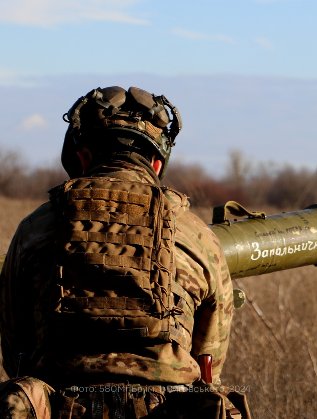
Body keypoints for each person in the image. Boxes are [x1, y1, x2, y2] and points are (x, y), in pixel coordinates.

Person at [0, 86, 248, 418]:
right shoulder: (199, 237)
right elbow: (210, 365)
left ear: (84, 157)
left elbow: (16, 353)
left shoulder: (35, 230)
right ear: (157, 164)